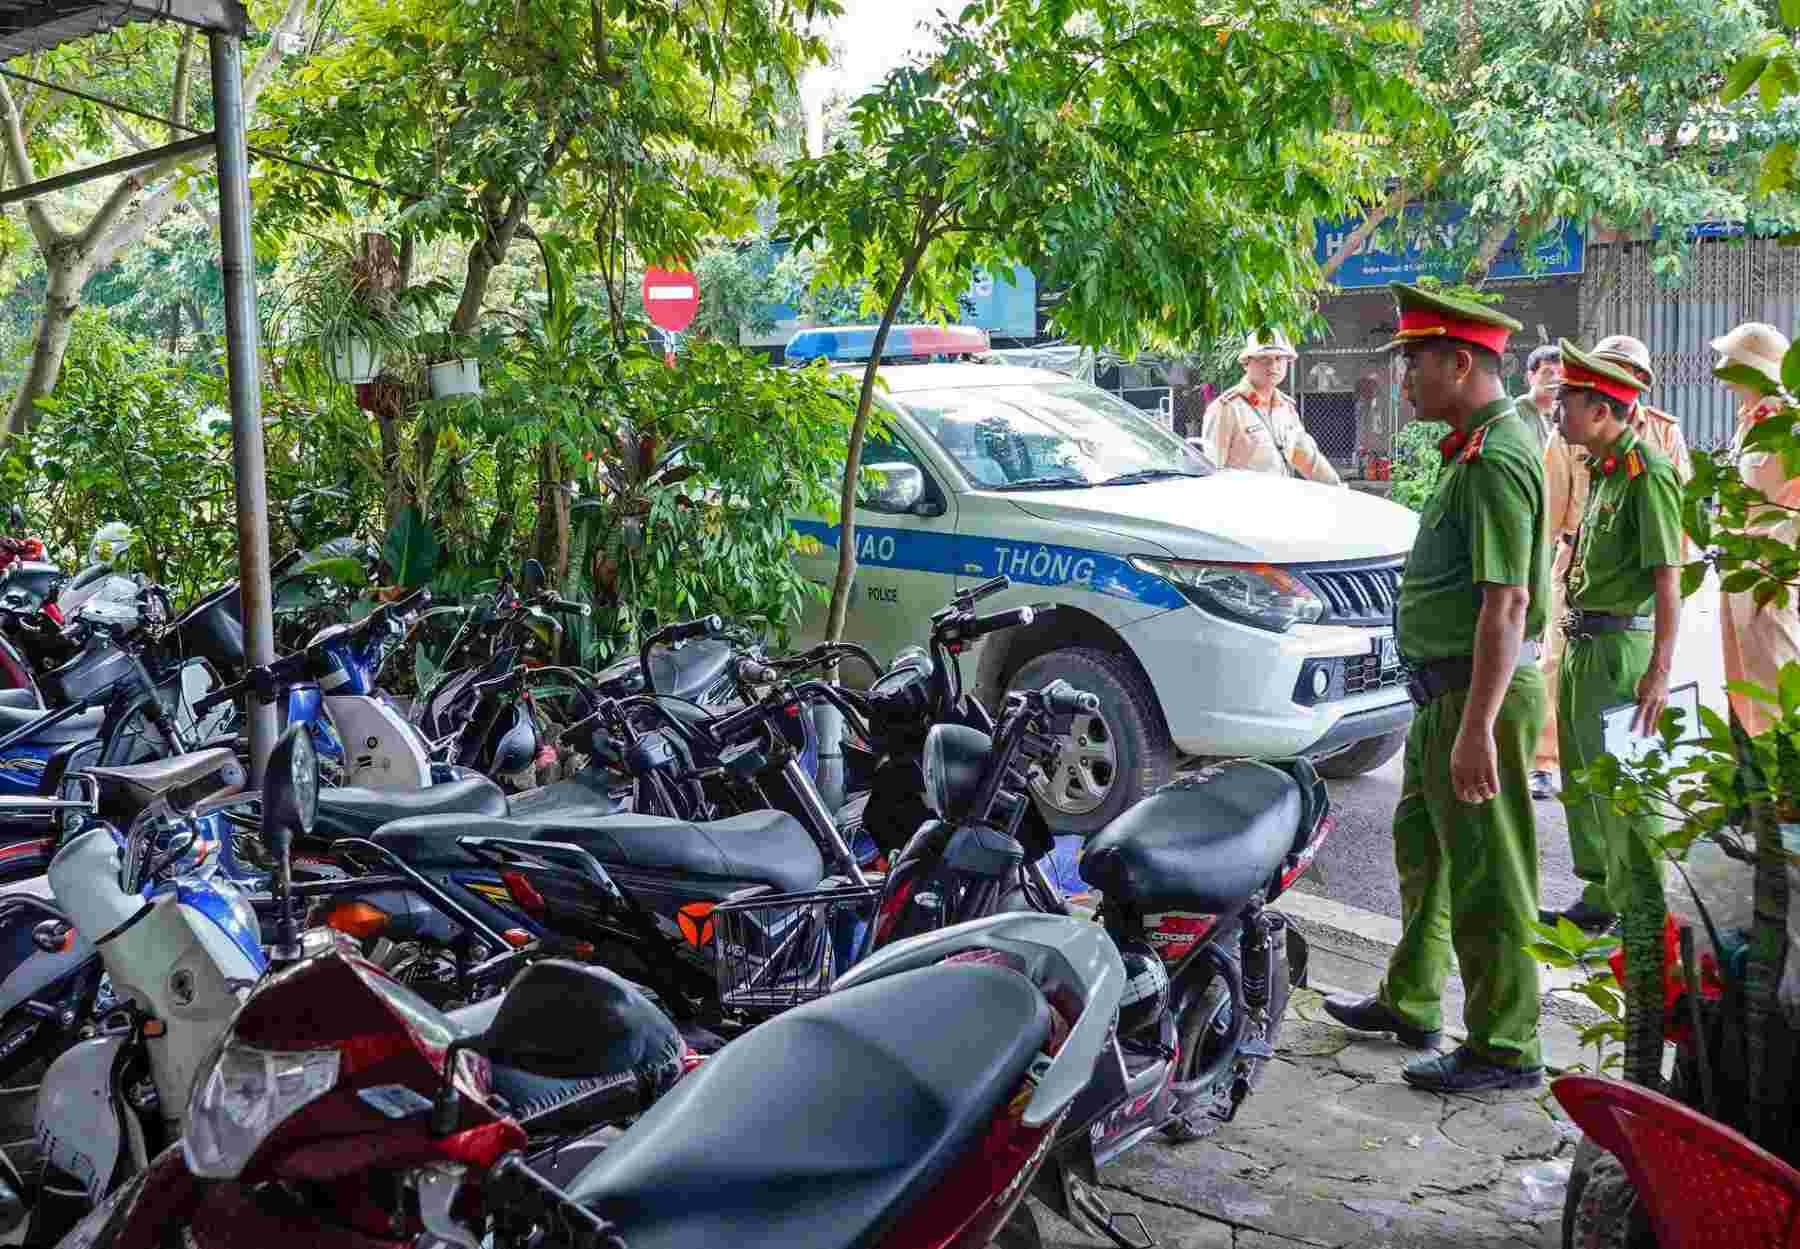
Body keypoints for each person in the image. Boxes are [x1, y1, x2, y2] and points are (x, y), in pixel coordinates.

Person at [1323, 283, 1550, 1093]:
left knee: (1491, 874)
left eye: (1415, 361)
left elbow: (1508, 602)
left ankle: (1506, 1046)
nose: (1404, 377)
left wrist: (1477, 726)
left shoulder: (1497, 459)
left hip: (1474, 696)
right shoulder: (1471, 449)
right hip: (1442, 695)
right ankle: (1412, 999)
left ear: (1460, 364)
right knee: (1425, 854)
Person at [1535, 340, 1684, 935]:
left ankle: (1643, 915)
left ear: (1600, 411)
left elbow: (1668, 580)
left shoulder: (1648, 473)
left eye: (1567, 400)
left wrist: (1660, 672)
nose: (1556, 410)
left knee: (1630, 787)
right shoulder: (1602, 468)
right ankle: (1601, 894)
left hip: (1623, 652)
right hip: (1584, 643)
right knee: (1583, 778)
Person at [1713, 321, 1799, 737]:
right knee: (1742, 678)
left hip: (1768, 571)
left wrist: (1773, 555)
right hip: (1737, 567)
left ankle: (1783, 767)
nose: (1722, 367)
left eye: (1732, 359)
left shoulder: (1788, 426)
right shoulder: (1750, 421)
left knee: (1774, 677)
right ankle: (1752, 765)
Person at [1199, 331, 1344, 484]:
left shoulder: (1285, 408)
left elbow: (1308, 459)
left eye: (1279, 358)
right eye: (1264, 358)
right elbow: (1212, 471)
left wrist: (1338, 488)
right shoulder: (1227, 408)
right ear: (1246, 363)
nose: (1273, 366)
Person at [1514, 344, 1562, 452]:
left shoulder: (1561, 412)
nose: (1556, 378)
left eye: (1560, 373)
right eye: (1547, 372)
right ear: (1531, 377)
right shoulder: (1518, 414)